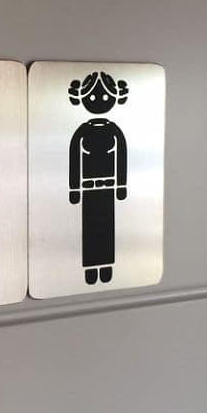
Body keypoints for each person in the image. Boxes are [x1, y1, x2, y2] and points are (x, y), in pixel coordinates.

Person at [68, 71, 128, 284]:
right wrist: (74, 188)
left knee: (106, 226)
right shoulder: (82, 132)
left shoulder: (115, 131)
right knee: (91, 227)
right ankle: (91, 268)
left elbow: (122, 158)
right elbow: (74, 160)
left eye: (103, 96)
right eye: (93, 97)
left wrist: (121, 185)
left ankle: (106, 265)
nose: (99, 101)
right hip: (88, 190)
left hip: (108, 189)